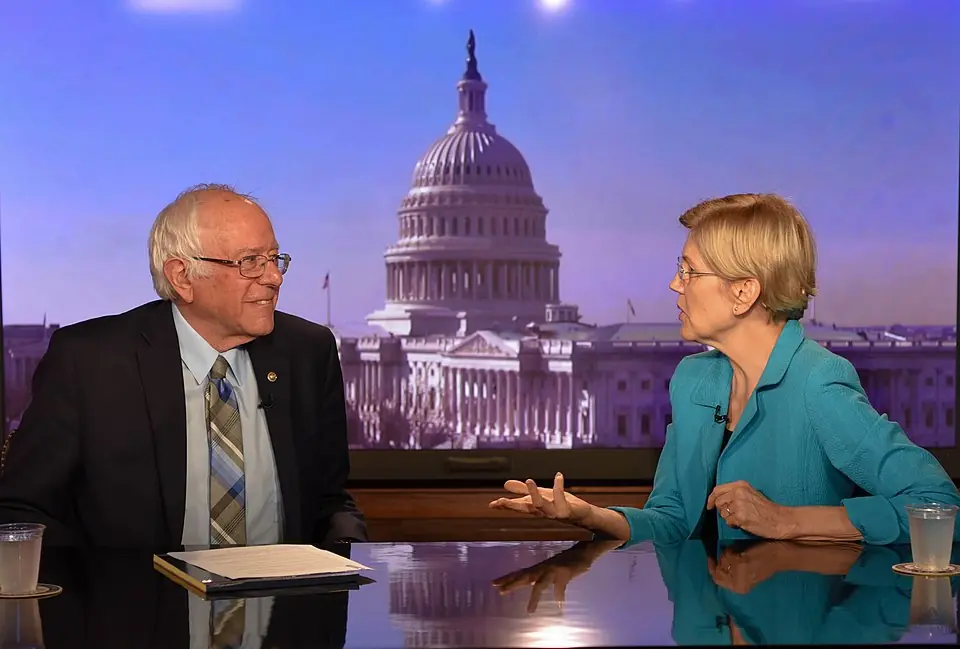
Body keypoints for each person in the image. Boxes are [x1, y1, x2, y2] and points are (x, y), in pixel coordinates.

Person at [490, 192, 960, 546]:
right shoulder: (693, 380)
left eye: (690, 271)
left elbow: (944, 509)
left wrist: (789, 521)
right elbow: (673, 520)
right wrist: (589, 516)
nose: (675, 284)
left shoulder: (820, 382)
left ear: (743, 292)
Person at [0, 183, 367, 548]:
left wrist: (351, 552)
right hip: (135, 603)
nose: (274, 277)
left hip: (282, 602)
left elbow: (329, 502)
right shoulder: (90, 362)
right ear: (182, 277)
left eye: (274, 259)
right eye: (250, 262)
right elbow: (23, 511)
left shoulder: (308, 352)